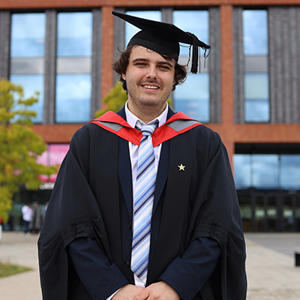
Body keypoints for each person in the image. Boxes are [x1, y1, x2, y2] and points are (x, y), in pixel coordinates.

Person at [38, 11, 247, 300]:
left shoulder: (204, 145)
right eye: (141, 64)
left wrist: (176, 284)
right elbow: (71, 225)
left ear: (175, 77)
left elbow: (217, 226)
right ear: (124, 72)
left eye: (164, 66)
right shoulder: (90, 141)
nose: (152, 74)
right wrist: (112, 288)